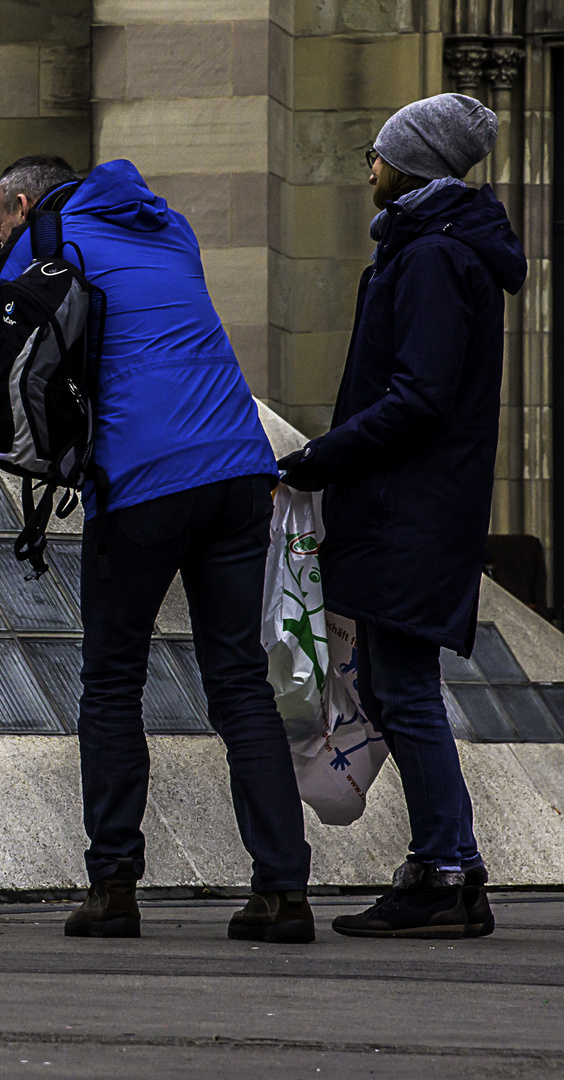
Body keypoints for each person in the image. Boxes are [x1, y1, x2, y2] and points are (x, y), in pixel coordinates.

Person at [0, 156, 314, 942]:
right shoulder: (168, 227)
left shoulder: (46, 238)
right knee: (241, 686)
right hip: (240, 473)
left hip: (146, 477)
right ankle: (283, 893)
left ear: (19, 203)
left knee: (112, 680)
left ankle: (114, 887)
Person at [279, 94, 523, 938]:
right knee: (394, 683)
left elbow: (416, 399)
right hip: (413, 507)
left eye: (376, 156)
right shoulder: (436, 250)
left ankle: (444, 875)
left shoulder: (430, 258)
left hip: (407, 510)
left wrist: (317, 459)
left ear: (409, 162)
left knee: (407, 689)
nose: (368, 170)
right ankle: (452, 866)